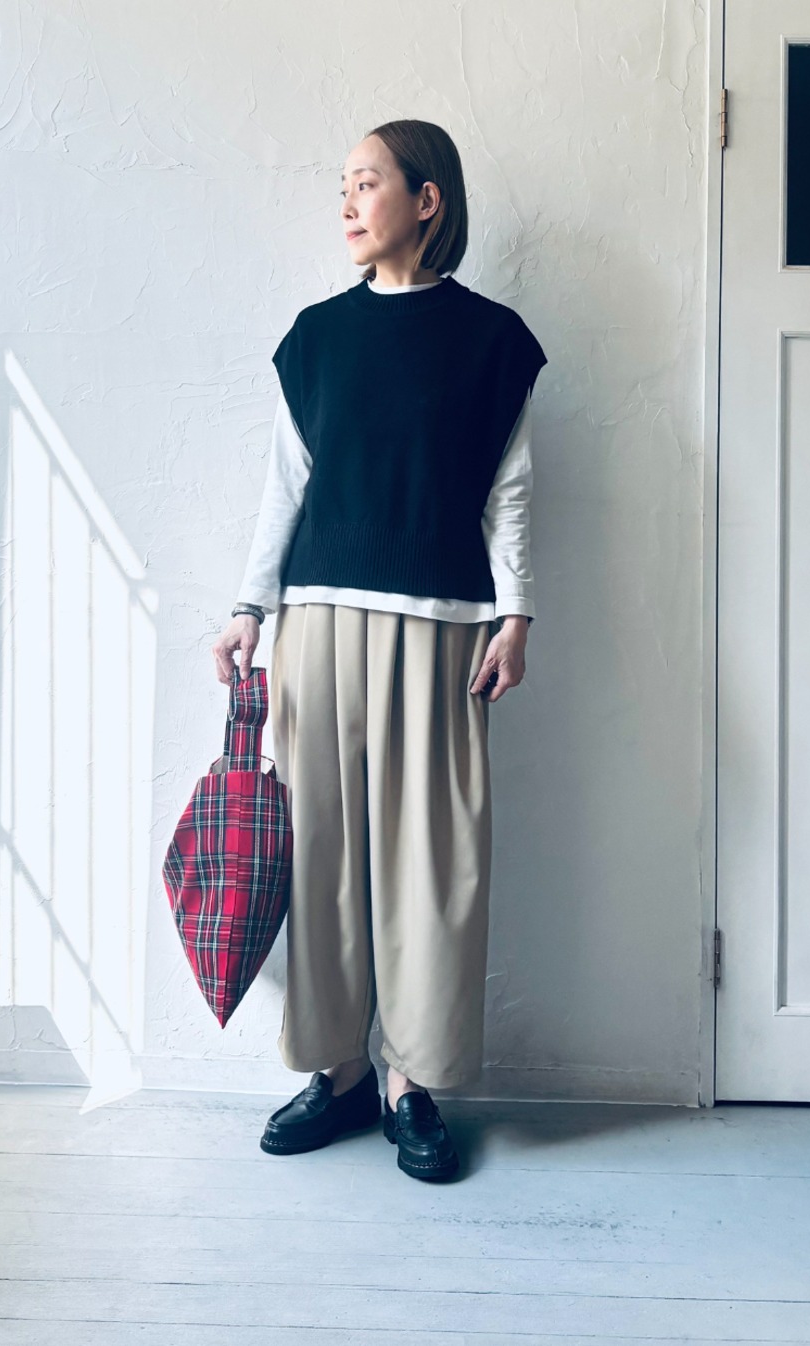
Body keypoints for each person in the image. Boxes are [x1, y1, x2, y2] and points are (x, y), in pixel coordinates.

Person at [211, 119, 547, 1182]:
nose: (348, 202)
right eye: (343, 185)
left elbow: (508, 491)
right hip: (316, 620)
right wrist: (248, 607)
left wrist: (515, 614)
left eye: (368, 182)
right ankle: (340, 1071)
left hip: (445, 625)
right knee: (321, 850)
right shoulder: (315, 339)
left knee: (433, 858)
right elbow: (285, 487)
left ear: (426, 198)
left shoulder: (493, 342)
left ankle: (413, 1082)